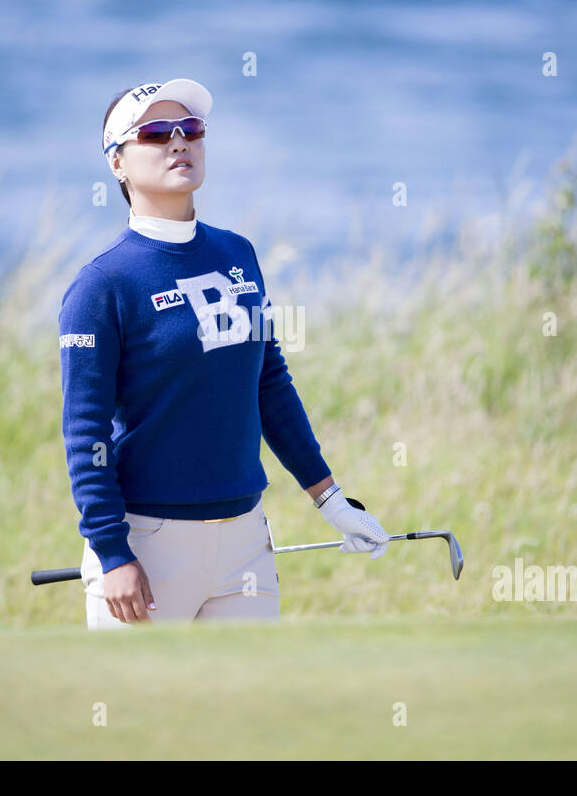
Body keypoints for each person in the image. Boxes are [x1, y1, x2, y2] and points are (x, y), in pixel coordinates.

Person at [59, 78, 390, 629]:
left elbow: (269, 386)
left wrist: (331, 500)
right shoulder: (101, 286)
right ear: (117, 162)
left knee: (246, 712)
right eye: (156, 133)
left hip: (245, 542)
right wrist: (112, 553)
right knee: (143, 715)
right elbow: (84, 432)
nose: (178, 142)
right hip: (146, 544)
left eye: (190, 129)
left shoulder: (238, 253)